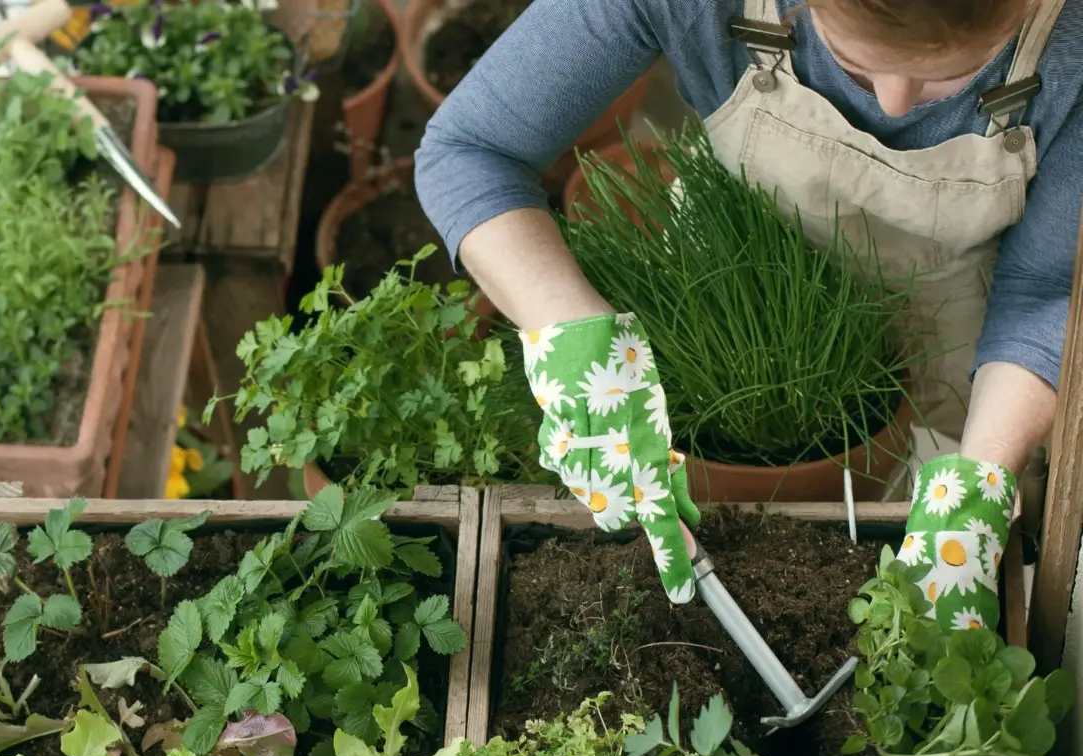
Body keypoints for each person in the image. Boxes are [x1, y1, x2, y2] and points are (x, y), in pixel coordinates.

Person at [415, 0, 1081, 635]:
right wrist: (572, 330)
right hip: (735, 301)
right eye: (852, 61)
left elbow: (1046, 283)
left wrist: (983, 470)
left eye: (951, 75)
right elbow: (471, 148)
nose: (892, 102)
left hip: (967, 340)